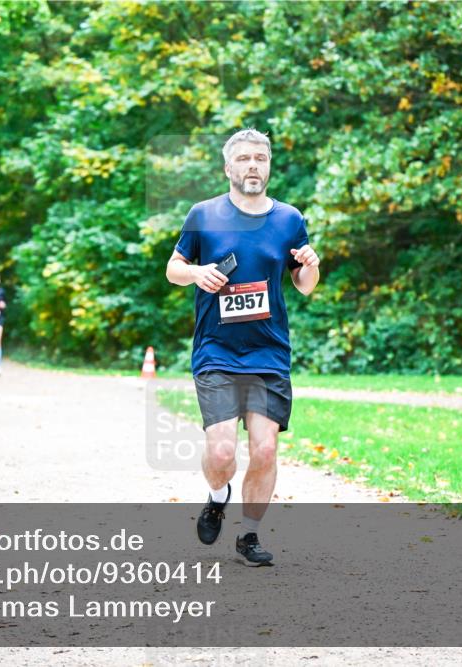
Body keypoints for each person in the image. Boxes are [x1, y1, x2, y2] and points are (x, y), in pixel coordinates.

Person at [165, 128, 320, 566]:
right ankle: (218, 497)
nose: (254, 166)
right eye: (245, 159)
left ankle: (249, 535)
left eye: (261, 158)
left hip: (268, 352)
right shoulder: (204, 214)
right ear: (228, 167)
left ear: (268, 165)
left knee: (266, 448)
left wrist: (311, 265)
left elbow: (304, 286)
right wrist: (197, 274)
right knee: (221, 452)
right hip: (216, 349)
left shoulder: (289, 218)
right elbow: (173, 268)